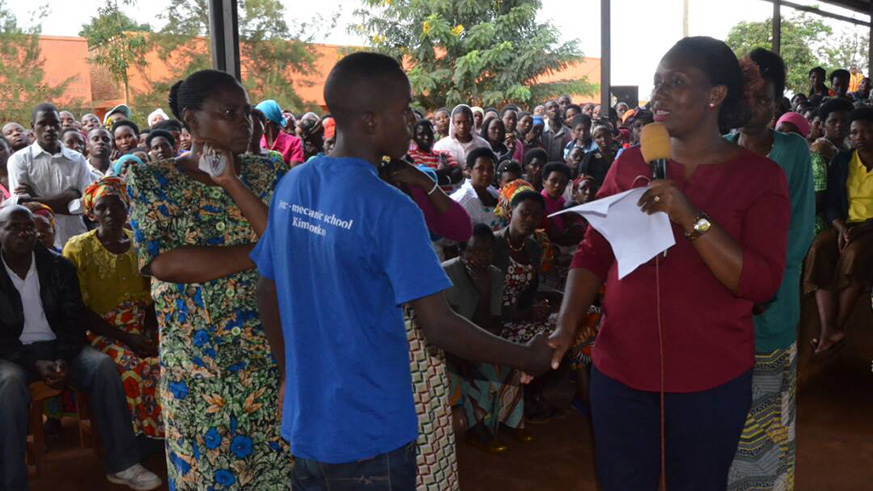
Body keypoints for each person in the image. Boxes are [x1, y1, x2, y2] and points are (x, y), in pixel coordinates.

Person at [251, 52, 552, 491]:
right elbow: (439, 325)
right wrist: (526, 357)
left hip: (308, 423)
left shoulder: (294, 183)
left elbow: (266, 289)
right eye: (404, 109)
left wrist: (287, 377)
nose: (411, 121)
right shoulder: (389, 208)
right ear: (371, 121)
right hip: (370, 433)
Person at [550, 36, 791, 490]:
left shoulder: (759, 178)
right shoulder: (628, 163)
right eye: (656, 82)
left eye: (675, 82)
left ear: (715, 96)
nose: (657, 95)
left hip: (710, 379)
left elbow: (760, 285)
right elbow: (593, 251)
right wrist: (566, 324)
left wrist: (689, 215)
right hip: (620, 370)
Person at [126, 69, 293, 490]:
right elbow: (163, 262)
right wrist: (260, 253)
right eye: (229, 112)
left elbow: (286, 246)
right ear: (191, 119)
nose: (245, 121)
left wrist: (231, 182)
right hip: (199, 374)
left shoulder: (268, 171)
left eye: (247, 111)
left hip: (268, 359)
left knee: (274, 475)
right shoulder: (153, 179)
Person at [0, 205, 162, 491]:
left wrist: (62, 357)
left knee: (102, 367)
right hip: (12, 354)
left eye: (28, 227)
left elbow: (73, 319)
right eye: (13, 227)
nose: (24, 233)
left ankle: (122, 464)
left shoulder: (58, 266)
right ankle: (12, 482)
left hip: (59, 346)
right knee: (9, 384)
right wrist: (33, 363)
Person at [725, 49, 814, 491]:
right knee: (726, 420)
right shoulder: (720, 149)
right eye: (748, 98)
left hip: (769, 308)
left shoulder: (793, 151)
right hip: (724, 310)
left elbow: (797, 236)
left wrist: (758, 284)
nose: (755, 108)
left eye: (765, 99)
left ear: (779, 102)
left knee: (767, 417)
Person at [62, 177, 164, 439]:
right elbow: (79, 309)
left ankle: (168, 434)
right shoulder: (78, 248)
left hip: (139, 326)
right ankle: (138, 438)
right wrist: (126, 338)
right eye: (101, 208)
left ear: (127, 208)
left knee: (168, 360)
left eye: (117, 206)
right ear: (91, 214)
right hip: (100, 332)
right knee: (134, 369)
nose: (110, 213)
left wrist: (149, 333)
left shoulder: (138, 243)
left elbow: (153, 296)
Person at [445, 224, 529, 454]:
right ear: (461, 253)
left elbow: (493, 321)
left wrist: (484, 289)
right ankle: (477, 431)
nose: (482, 257)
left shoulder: (494, 274)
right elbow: (447, 326)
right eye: (474, 251)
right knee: (476, 376)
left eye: (488, 251)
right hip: (450, 348)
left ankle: (510, 422)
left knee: (510, 368)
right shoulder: (447, 273)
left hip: (480, 341)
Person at [804, 106, 873, 358]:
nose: (860, 136)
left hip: (870, 228)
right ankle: (828, 329)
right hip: (846, 224)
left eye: (866, 130)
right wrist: (840, 226)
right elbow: (831, 202)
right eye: (855, 132)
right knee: (821, 248)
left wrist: (865, 227)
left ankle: (835, 328)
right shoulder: (843, 161)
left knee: (855, 255)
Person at [6, 103, 95, 249]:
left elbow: (87, 203)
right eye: (43, 124)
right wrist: (68, 197)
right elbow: (23, 207)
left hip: (76, 238)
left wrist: (37, 199)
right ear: (33, 126)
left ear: (60, 125)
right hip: (38, 242)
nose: (49, 129)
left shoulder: (77, 159)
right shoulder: (19, 159)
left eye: (54, 123)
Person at [451, 147, 502, 230]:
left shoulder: (495, 194)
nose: (486, 173)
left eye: (490, 169)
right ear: (469, 171)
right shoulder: (461, 200)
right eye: (480, 169)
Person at [408, 119, 463, 192]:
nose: (426, 137)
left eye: (429, 133)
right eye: (421, 134)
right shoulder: (410, 155)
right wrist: (444, 171)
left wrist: (434, 178)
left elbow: (458, 173)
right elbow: (419, 178)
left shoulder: (442, 154)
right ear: (414, 137)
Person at [256, 99, 304, 167]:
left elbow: (295, 172)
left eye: (257, 119)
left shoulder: (293, 143)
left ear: (267, 120)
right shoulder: (257, 142)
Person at [577, 123, 617, 188]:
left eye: (606, 135)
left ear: (611, 136)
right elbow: (583, 178)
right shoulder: (590, 157)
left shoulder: (617, 154)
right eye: (598, 137)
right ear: (594, 140)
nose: (603, 139)